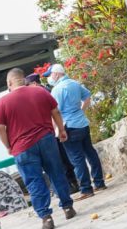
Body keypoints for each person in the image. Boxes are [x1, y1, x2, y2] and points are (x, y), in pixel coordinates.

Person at [0, 68, 76, 229]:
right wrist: (61, 130)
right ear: (23, 79)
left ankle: (46, 218)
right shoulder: (40, 91)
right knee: (56, 173)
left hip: (22, 147)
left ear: (9, 83)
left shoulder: (2, 102)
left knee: (34, 181)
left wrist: (8, 146)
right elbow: (55, 111)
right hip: (46, 140)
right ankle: (67, 207)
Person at [46, 63, 107, 200]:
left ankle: (86, 189)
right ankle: (99, 182)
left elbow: (56, 112)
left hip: (69, 126)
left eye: (50, 74)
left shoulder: (57, 90)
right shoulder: (74, 83)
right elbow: (87, 97)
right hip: (82, 123)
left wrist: (56, 129)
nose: (50, 77)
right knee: (90, 153)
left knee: (77, 159)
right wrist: (81, 111)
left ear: (57, 74)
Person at [27, 70, 81, 194]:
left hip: (53, 131)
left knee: (60, 160)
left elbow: (53, 112)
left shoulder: (41, 94)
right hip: (55, 129)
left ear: (34, 83)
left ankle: (70, 185)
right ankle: (73, 183)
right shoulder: (46, 91)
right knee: (64, 158)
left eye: (28, 85)